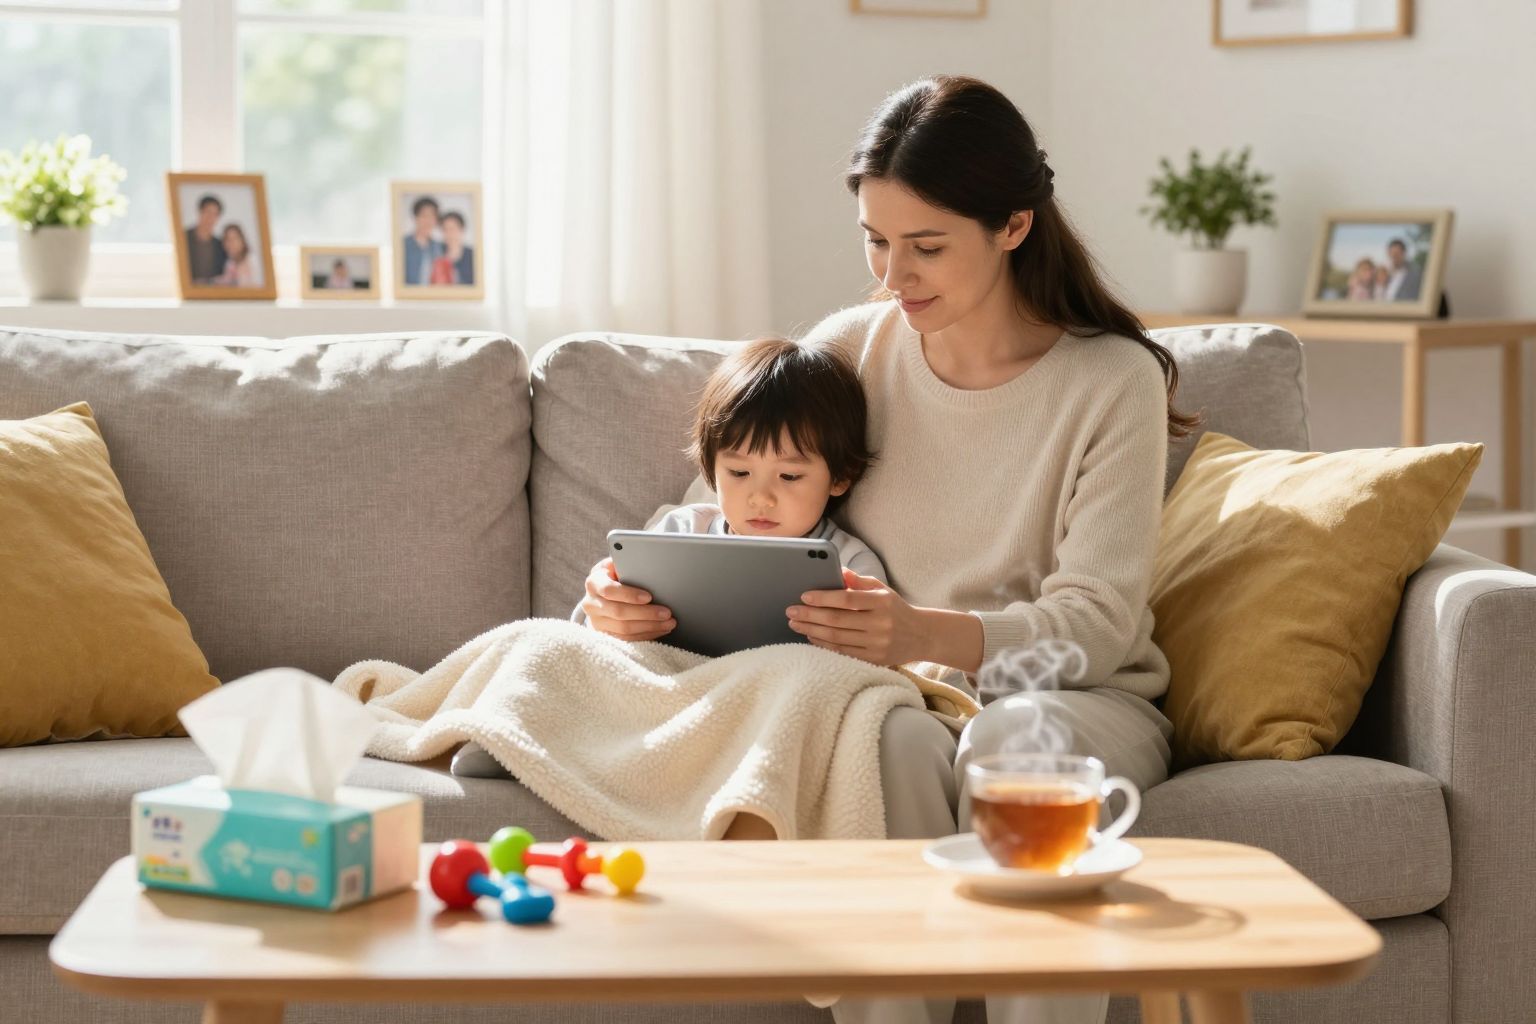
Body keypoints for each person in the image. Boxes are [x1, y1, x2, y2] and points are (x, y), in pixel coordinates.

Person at [582, 75, 1195, 1024]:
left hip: (1073, 700)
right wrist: (622, 591)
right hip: (890, 692)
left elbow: (1100, 628)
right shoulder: (852, 349)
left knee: (1006, 743)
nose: (891, 276)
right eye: (875, 240)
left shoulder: (1110, 380)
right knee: (888, 735)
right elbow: (726, 517)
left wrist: (918, 629)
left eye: (926, 247)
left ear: (1015, 227)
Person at [402, 196, 444, 285]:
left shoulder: (439, 247)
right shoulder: (403, 245)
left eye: (432, 216)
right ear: (415, 217)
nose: (428, 221)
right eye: (424, 215)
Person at [185, 195, 226, 284]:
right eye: (208, 212)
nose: (210, 218)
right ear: (200, 212)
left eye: (215, 214)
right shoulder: (183, 238)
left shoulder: (220, 245)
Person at [430, 211, 475, 285]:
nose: (449, 234)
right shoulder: (436, 255)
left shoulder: (473, 256)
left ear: (462, 230)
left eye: (452, 229)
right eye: (445, 230)